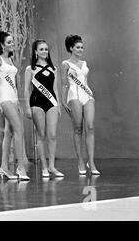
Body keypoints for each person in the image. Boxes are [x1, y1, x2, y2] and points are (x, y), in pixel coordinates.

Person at [0, 30, 29, 181]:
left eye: (13, 42)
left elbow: (15, 84)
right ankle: (21, 167)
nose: (13, 45)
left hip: (13, 98)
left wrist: (18, 100)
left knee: (9, 133)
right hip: (4, 98)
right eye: (9, 42)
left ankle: (4, 167)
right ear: (1, 45)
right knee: (19, 129)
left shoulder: (10, 60)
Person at [24, 39, 64, 178]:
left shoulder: (54, 69)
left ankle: (52, 166)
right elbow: (26, 89)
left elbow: (55, 89)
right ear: (35, 52)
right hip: (36, 103)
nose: (44, 51)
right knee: (41, 135)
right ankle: (44, 167)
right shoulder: (31, 69)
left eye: (46, 49)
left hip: (51, 102)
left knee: (52, 135)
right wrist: (27, 107)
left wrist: (58, 105)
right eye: (41, 49)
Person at [61, 35, 100, 175]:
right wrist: (63, 100)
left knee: (90, 126)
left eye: (82, 47)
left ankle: (92, 162)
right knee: (78, 128)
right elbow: (64, 84)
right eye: (77, 47)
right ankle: (80, 162)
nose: (80, 49)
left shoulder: (84, 63)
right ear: (71, 48)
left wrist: (90, 95)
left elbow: (85, 80)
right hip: (74, 95)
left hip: (87, 95)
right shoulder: (65, 64)